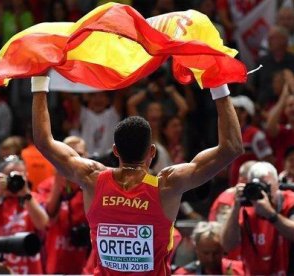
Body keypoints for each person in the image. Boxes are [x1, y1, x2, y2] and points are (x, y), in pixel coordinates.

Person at [31, 75, 243, 275]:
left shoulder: (92, 178)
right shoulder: (166, 186)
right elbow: (231, 147)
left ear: (115, 151)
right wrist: (218, 83)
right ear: (152, 151)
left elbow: (43, 141)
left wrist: (40, 79)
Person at [0, 155, 48, 274]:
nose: (15, 180)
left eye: (20, 175)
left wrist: (26, 193)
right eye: (10, 175)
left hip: (31, 268)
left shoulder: (35, 199)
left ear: (26, 176)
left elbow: (42, 225)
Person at [221, 162, 294, 274]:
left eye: (266, 186)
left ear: (278, 184)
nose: (262, 192)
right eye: (258, 187)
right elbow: (227, 245)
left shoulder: (290, 201)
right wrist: (235, 207)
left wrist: (271, 214)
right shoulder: (246, 205)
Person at [40, 136, 90, 274]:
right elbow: (49, 217)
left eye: (79, 154)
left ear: (87, 156)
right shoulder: (47, 185)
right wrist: (58, 181)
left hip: (85, 263)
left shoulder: (91, 187)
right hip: (55, 262)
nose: (74, 160)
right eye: (69, 154)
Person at [228, 95, 273, 185]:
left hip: (251, 187)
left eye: (234, 108)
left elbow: (268, 161)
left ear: (244, 113)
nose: (229, 111)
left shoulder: (256, 135)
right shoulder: (232, 134)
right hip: (235, 186)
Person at [174, 221, 243, 275]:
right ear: (196, 249)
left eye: (216, 253)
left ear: (223, 249)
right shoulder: (183, 274)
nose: (211, 259)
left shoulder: (239, 270)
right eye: (206, 253)